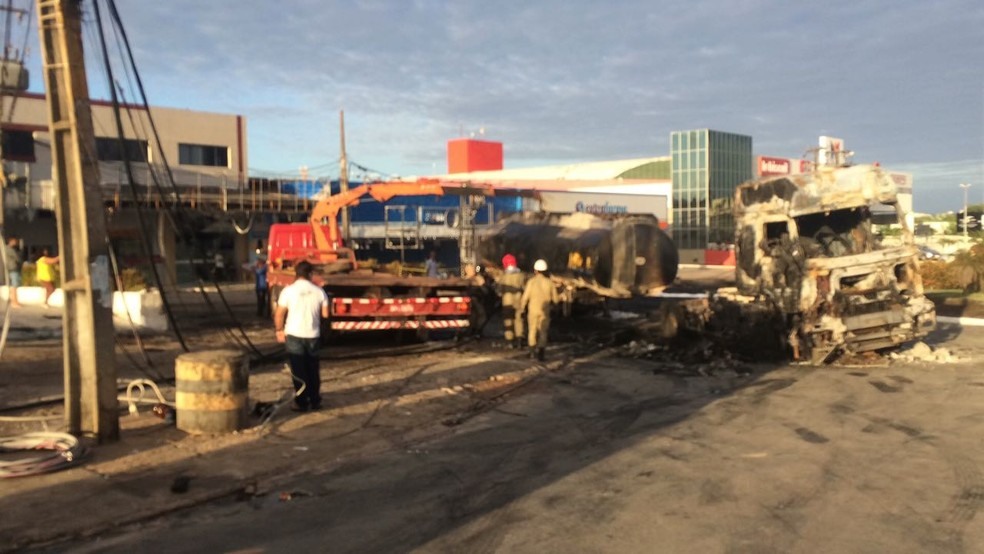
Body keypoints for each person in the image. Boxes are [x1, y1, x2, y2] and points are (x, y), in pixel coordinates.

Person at [274, 261, 329, 412]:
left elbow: (279, 314)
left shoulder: (288, 291)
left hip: (294, 334)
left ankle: (301, 402)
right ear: (310, 274)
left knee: (298, 370)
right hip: (313, 334)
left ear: (296, 274)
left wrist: (279, 330)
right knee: (313, 368)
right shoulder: (319, 292)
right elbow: (325, 315)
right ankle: (315, 400)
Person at [520, 258, 559, 361]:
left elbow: (525, 297)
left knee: (532, 331)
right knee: (543, 332)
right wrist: (555, 307)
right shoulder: (550, 283)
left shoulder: (531, 282)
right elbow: (555, 299)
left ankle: (532, 352)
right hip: (545, 311)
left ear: (535, 270)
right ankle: (541, 353)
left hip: (533, 310)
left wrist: (522, 309)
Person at [496, 253, 526, 349]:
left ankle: (509, 341)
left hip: (507, 302)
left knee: (508, 321)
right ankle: (519, 340)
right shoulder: (521, 275)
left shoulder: (503, 276)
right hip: (518, 301)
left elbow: (499, 290)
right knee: (518, 320)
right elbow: (524, 287)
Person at [3, 237, 22, 308]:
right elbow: (17, 258)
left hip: (13, 268)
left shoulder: (11, 249)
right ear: (10, 241)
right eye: (14, 241)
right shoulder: (9, 249)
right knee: (14, 286)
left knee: (13, 286)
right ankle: (14, 302)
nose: (16, 243)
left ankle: (13, 301)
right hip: (13, 268)